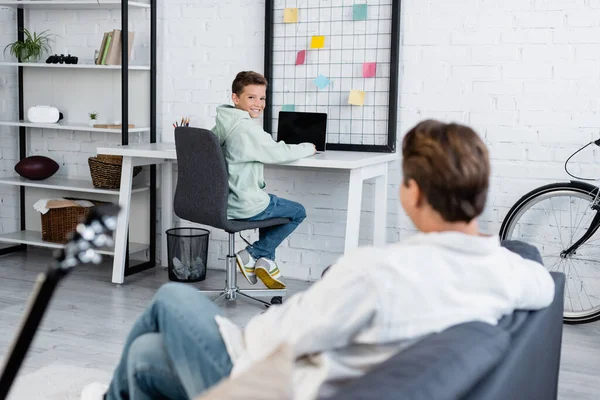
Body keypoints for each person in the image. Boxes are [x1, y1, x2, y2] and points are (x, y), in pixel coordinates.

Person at [81, 120, 555, 400]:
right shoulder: (513, 273)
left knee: (170, 297)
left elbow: (275, 339)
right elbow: (544, 284)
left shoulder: (378, 273)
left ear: (411, 193)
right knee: (144, 358)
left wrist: (240, 334)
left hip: (284, 386)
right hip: (322, 367)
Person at [212, 71, 315, 289]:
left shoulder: (222, 124)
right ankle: (254, 253)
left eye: (262, 98)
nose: (258, 104)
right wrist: (308, 147)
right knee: (297, 212)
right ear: (235, 98)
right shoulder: (247, 129)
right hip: (244, 204)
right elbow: (279, 153)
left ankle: (264, 261)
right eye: (251, 97)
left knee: (272, 205)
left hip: (222, 202)